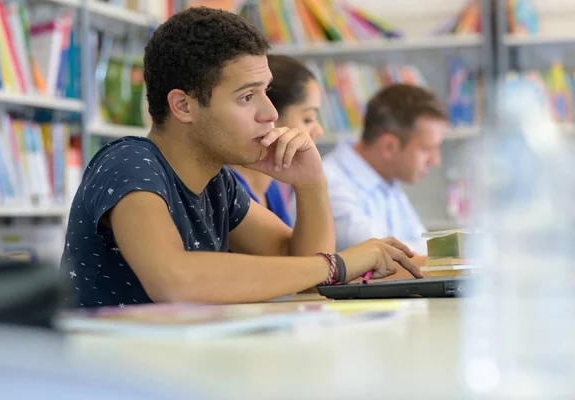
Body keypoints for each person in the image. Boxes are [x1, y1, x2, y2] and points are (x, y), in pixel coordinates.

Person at [59, 7, 421, 308]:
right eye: (247, 97)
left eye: (265, 92)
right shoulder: (129, 163)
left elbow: (301, 269)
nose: (270, 114)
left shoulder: (218, 183)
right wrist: (337, 264)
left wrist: (311, 184)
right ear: (183, 105)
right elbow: (174, 280)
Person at [319, 84, 448, 263]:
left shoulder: (387, 179)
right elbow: (388, 255)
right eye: (427, 149)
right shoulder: (327, 184)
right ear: (389, 146)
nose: (436, 161)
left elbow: (425, 245)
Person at [230, 55, 323, 226]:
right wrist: (313, 183)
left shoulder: (272, 185)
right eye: (308, 118)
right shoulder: (229, 189)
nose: (319, 131)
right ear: (270, 117)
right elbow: (308, 253)